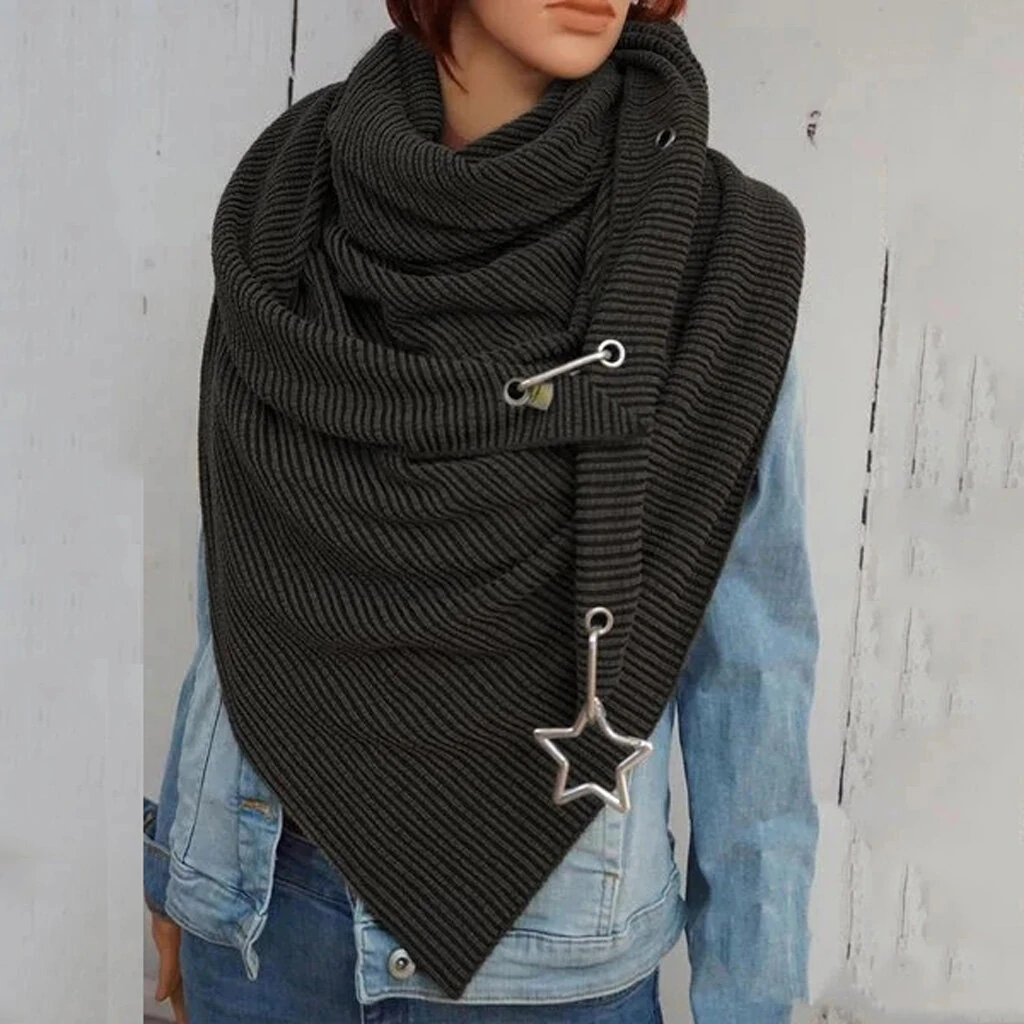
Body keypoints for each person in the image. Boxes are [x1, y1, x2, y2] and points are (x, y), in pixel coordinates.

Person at [144, 1, 820, 1021]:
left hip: (545, 968)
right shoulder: (289, 199)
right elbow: (245, 559)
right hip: (257, 920)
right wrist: (176, 870)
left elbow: (754, 674)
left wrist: (753, 1001)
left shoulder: (717, 259)